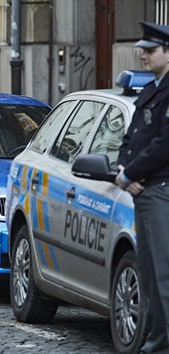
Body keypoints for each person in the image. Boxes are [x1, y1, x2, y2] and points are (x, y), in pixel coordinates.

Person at [115, 21, 169, 354]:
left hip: (161, 190)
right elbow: (130, 138)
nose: (143, 55)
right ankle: (156, 344)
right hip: (144, 192)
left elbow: (164, 144)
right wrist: (124, 168)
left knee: (163, 278)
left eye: (150, 50)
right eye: (143, 50)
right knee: (149, 277)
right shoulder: (151, 89)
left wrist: (128, 174)